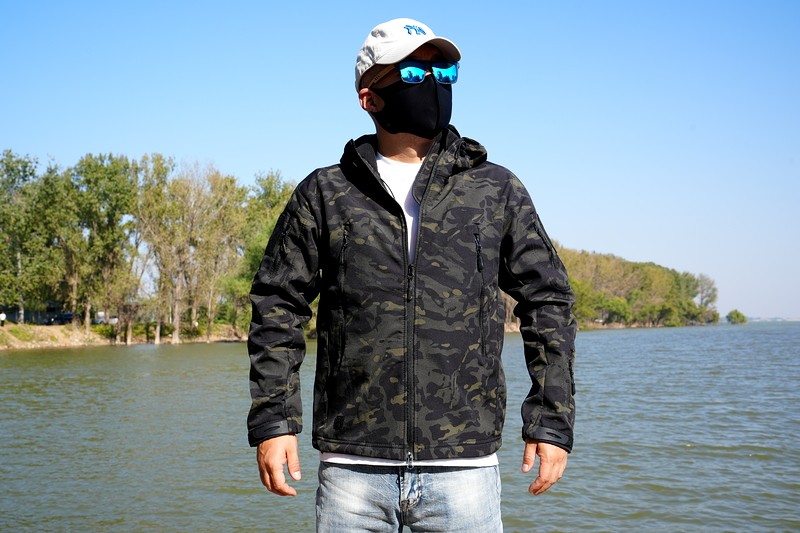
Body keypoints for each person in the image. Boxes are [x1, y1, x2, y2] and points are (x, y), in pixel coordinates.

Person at [247, 17, 576, 532]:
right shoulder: (325, 193)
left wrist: (551, 420)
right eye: (414, 74)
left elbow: (548, 300)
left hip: (464, 467)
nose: (434, 84)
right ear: (369, 97)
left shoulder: (495, 190)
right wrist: (273, 421)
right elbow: (277, 305)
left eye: (444, 72)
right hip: (352, 468)